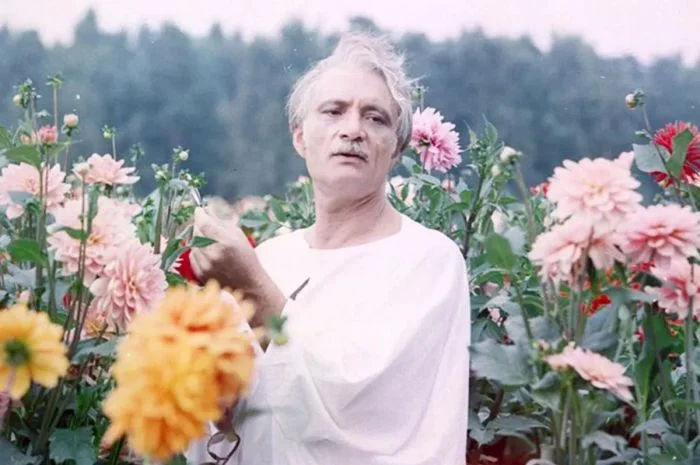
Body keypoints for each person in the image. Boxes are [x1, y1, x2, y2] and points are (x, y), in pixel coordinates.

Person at [185, 30, 471, 465]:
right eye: (333, 111)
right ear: (299, 137)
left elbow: (354, 410)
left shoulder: (428, 261)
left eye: (375, 118)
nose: (353, 130)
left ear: (396, 149)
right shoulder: (271, 257)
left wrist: (252, 289)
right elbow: (230, 429)